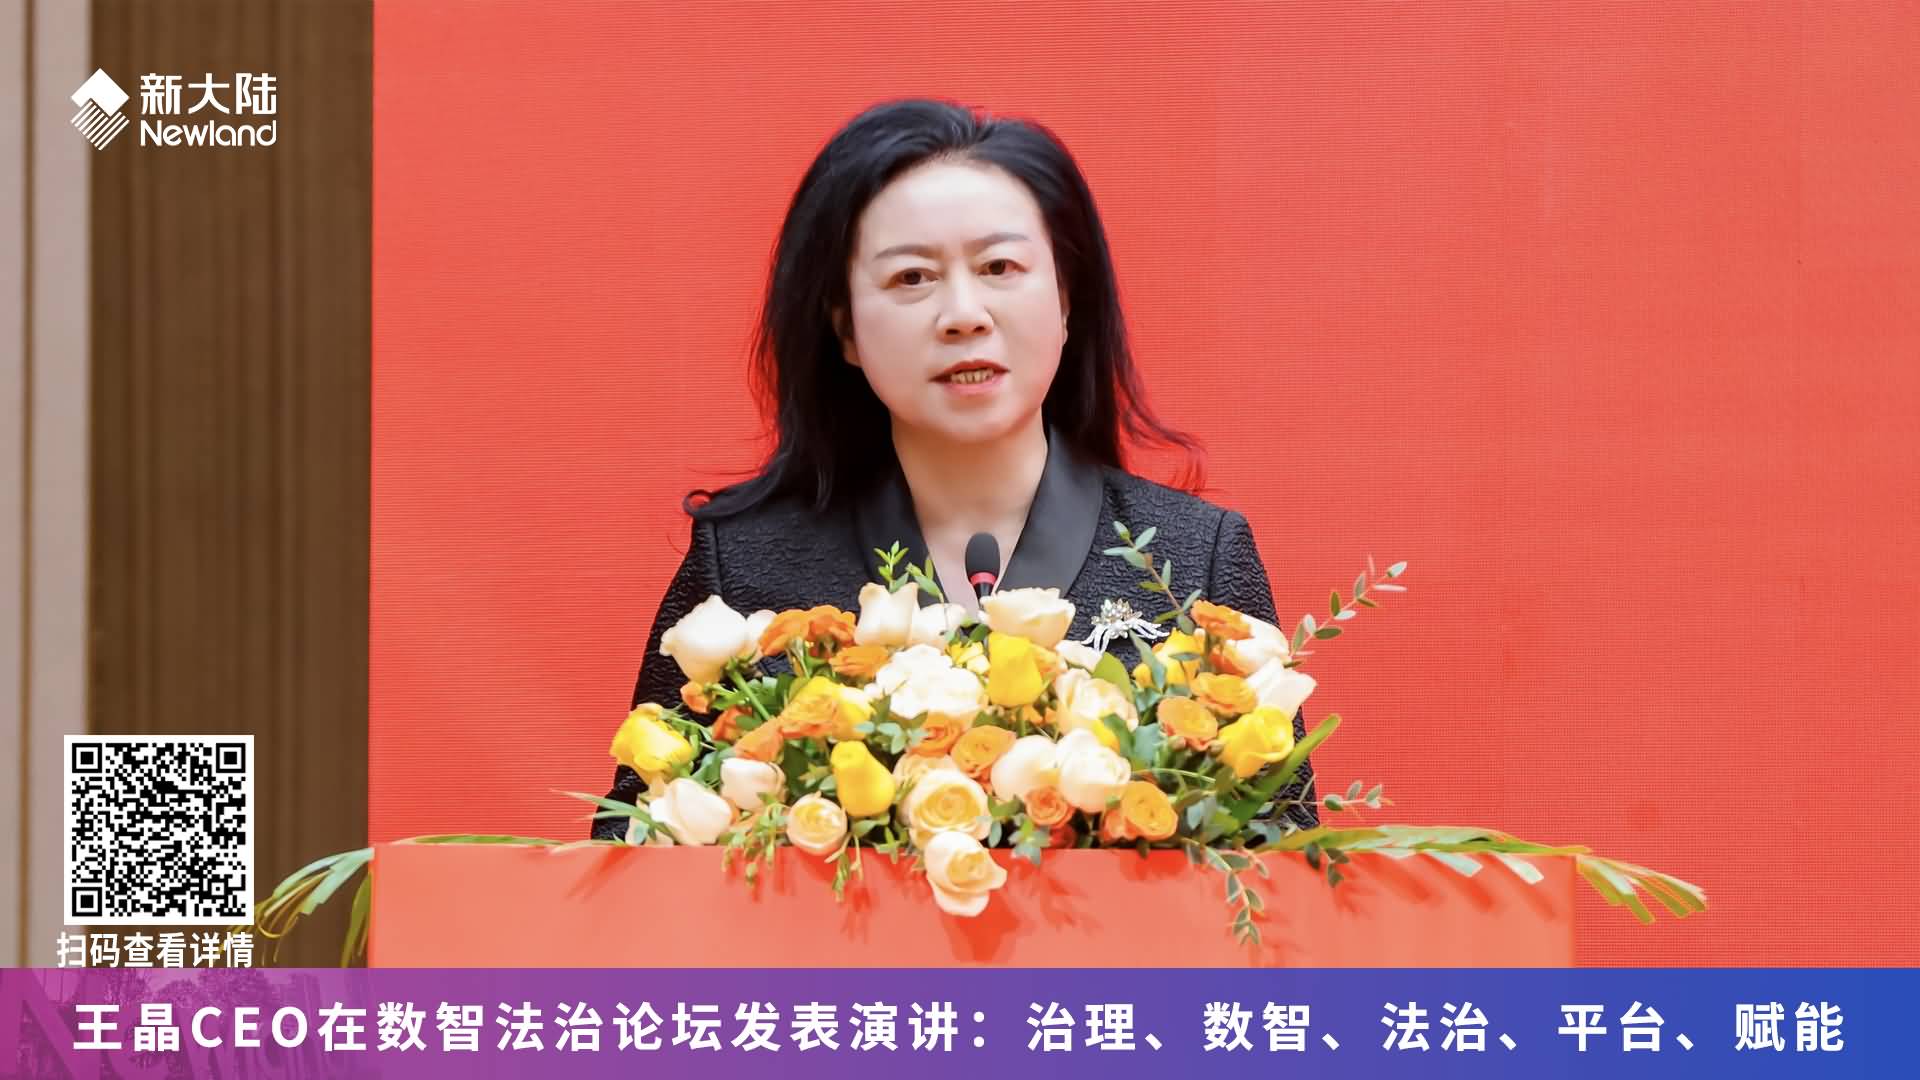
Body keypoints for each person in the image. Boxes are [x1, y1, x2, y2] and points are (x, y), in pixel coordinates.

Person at [591, 99, 1317, 839]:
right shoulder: (744, 570)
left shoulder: (1194, 558)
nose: (963, 314)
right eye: (912, 277)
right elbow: (633, 848)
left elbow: (1288, 867)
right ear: (845, 328)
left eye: (1000, 267)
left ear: (1066, 299)